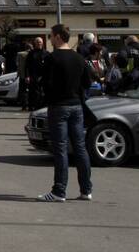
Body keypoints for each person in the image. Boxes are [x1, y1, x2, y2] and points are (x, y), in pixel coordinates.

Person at [39, 24, 93, 202]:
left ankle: (59, 191)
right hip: (76, 106)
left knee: (60, 148)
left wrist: (50, 96)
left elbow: (46, 83)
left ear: (59, 37)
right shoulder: (79, 58)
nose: (50, 39)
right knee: (80, 147)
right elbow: (87, 82)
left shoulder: (52, 58)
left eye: (51, 36)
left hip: (59, 106)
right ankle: (86, 190)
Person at [26, 37, 49, 110]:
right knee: (34, 93)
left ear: (42, 43)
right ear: (35, 43)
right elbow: (27, 65)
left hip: (43, 76)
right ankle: (33, 107)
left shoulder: (46, 53)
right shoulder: (31, 53)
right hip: (33, 76)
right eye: (37, 42)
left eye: (40, 42)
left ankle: (42, 107)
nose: (39, 43)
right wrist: (27, 76)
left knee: (43, 93)